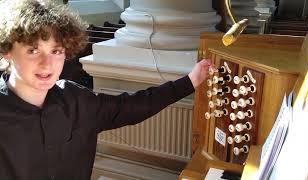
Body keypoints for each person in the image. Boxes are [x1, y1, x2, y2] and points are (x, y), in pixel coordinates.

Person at [0, 0, 213, 180]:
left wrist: (190, 81)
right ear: (8, 50)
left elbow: (134, 106)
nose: (47, 64)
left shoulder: (77, 100)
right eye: (33, 50)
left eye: (56, 51)